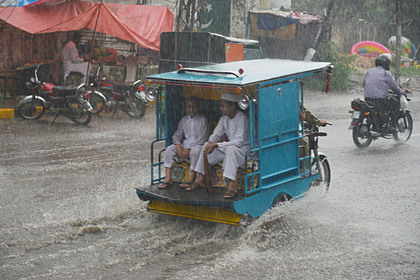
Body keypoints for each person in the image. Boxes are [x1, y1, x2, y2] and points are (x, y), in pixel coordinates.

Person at [186, 92, 250, 199]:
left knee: (230, 150)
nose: (220, 108)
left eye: (223, 106)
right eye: (220, 105)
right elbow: (216, 134)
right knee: (207, 145)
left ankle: (231, 186)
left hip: (244, 150)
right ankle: (200, 179)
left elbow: (238, 142)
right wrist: (211, 143)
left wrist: (216, 144)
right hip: (229, 148)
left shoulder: (242, 119)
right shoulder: (224, 118)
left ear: (233, 106)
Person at [158, 96, 209, 189]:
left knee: (195, 152)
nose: (191, 110)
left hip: (198, 146)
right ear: (186, 108)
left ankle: (191, 179)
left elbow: (203, 138)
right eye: (189, 107)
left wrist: (189, 149)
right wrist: (178, 145)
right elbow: (177, 135)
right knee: (169, 149)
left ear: (198, 107)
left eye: (194, 107)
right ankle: (168, 177)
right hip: (185, 144)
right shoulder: (184, 120)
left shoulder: (203, 120)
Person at [363, 53, 406, 131]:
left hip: (367, 99)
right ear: (386, 64)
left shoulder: (369, 71)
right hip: (379, 101)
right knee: (396, 103)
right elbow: (394, 87)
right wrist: (402, 92)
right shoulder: (386, 73)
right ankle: (392, 125)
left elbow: (364, 84)